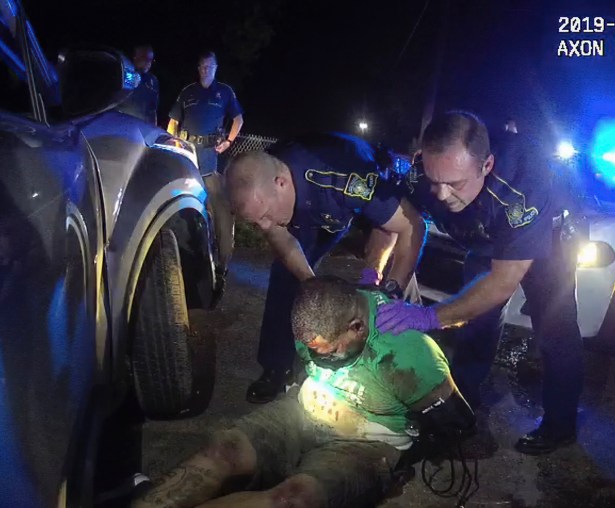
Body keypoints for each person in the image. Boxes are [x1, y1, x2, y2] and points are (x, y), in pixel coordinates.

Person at [131, 277, 475, 508]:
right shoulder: (314, 319)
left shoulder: (407, 355)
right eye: (313, 349)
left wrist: (399, 465)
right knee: (225, 448)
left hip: (368, 442)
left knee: (293, 498)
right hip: (305, 410)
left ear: (356, 328)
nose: (320, 356)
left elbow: (455, 423)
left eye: (329, 351)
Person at [375, 111, 583, 455]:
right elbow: (394, 221)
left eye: (454, 184)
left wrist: (430, 317)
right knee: (475, 324)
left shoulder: (519, 190)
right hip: (486, 240)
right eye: (433, 179)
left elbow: (503, 281)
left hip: (549, 243)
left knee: (555, 331)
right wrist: (382, 278)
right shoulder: (425, 175)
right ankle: (463, 409)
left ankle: (560, 425)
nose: (440, 194)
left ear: (485, 166)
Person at [224, 132, 426, 404]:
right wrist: (311, 285)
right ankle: (276, 367)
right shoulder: (267, 190)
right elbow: (282, 241)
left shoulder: (346, 176)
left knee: (395, 285)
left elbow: (404, 227)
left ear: (281, 183)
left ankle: (411, 371)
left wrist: (383, 284)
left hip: (343, 205)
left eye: (264, 217)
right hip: (304, 215)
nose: (262, 226)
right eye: (255, 222)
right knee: (285, 277)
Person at [168, 51, 244, 269]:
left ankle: (223, 263)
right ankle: (181, 257)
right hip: (187, 161)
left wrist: (229, 141)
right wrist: (173, 145)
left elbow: (238, 119)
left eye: (209, 66)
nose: (205, 70)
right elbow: (173, 122)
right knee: (182, 207)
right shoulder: (188, 92)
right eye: (202, 66)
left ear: (216, 68)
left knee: (221, 210)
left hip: (211, 163)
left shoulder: (224, 92)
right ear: (198, 68)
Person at [118, 45, 159, 124]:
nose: (148, 63)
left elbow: (153, 109)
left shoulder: (153, 81)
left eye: (150, 60)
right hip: (120, 125)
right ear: (135, 57)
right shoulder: (124, 74)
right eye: (145, 58)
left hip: (142, 128)